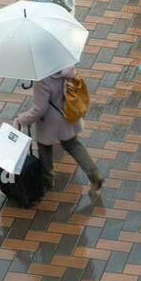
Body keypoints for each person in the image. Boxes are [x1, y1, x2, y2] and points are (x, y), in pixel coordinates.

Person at [16, 65, 103, 194]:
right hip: (68, 113)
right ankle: (94, 174)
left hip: (50, 122)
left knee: (44, 149)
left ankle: (48, 181)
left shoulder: (42, 78)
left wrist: (21, 120)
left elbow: (40, 109)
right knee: (74, 146)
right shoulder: (66, 66)